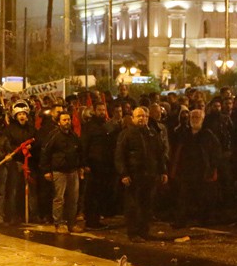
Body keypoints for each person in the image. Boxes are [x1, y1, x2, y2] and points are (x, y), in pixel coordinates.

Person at [115, 107, 168, 242]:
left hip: (150, 175)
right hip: (134, 175)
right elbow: (120, 155)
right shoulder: (126, 134)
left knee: (147, 205)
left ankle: (144, 231)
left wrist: (163, 171)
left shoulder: (152, 133)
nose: (142, 118)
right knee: (133, 206)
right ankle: (133, 233)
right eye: (139, 116)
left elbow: (159, 154)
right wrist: (124, 174)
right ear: (133, 118)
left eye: (144, 116)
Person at [169, 109, 221, 228]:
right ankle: (181, 221)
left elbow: (215, 152)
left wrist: (212, 167)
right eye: (192, 117)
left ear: (202, 119)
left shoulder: (208, 134)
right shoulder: (184, 133)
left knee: (203, 197)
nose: (194, 119)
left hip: (202, 171)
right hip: (187, 171)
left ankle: (203, 220)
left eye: (197, 117)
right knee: (183, 197)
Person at [40, 112, 84, 234]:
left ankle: (71, 223)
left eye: (68, 119)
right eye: (64, 120)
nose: (67, 122)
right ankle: (58, 224)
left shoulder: (73, 136)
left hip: (72, 170)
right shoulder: (54, 136)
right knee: (59, 198)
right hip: (59, 171)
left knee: (73, 199)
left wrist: (80, 166)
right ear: (59, 122)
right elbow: (45, 153)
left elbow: (79, 151)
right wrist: (46, 170)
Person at [81, 102, 117, 229]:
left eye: (103, 110)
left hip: (104, 165)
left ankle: (96, 218)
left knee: (100, 193)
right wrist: (85, 163)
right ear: (94, 111)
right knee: (92, 194)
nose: (102, 112)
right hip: (93, 164)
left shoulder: (105, 125)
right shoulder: (89, 126)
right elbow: (84, 145)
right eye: (99, 110)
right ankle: (91, 220)